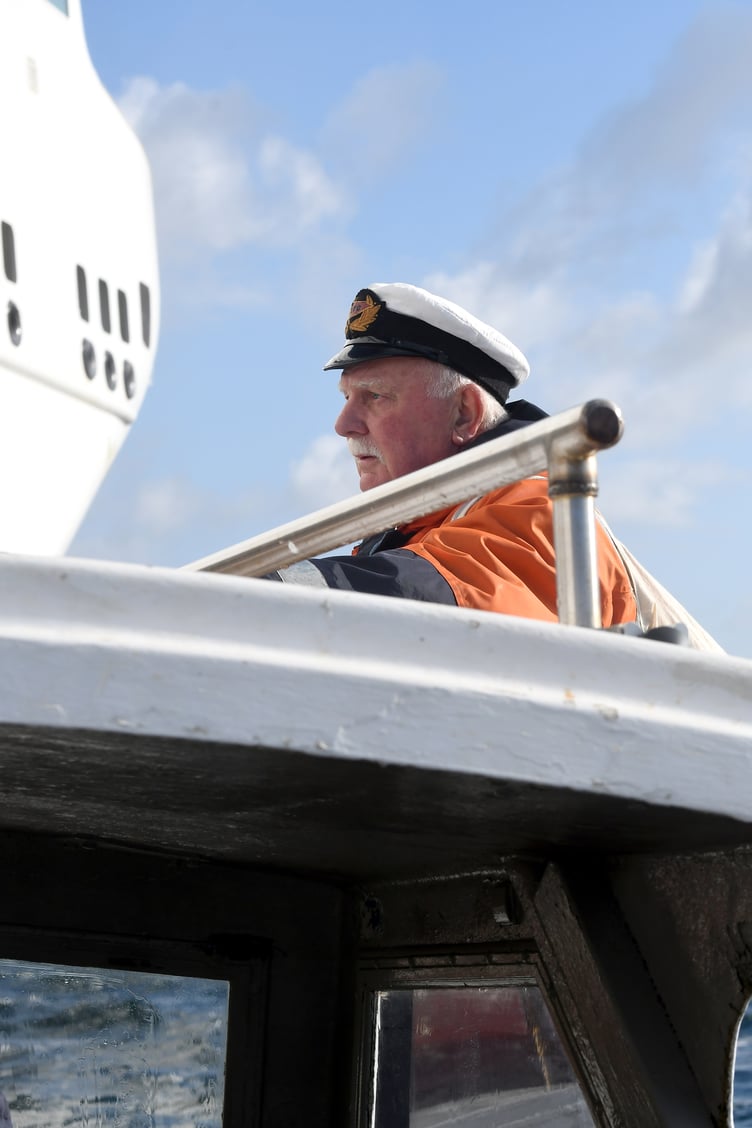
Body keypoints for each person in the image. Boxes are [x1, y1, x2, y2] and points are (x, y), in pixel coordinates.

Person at [264, 281, 639, 628]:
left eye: (375, 396)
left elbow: (446, 596)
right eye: (347, 398)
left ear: (464, 414)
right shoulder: (419, 529)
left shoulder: (544, 508)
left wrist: (243, 592)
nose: (343, 424)